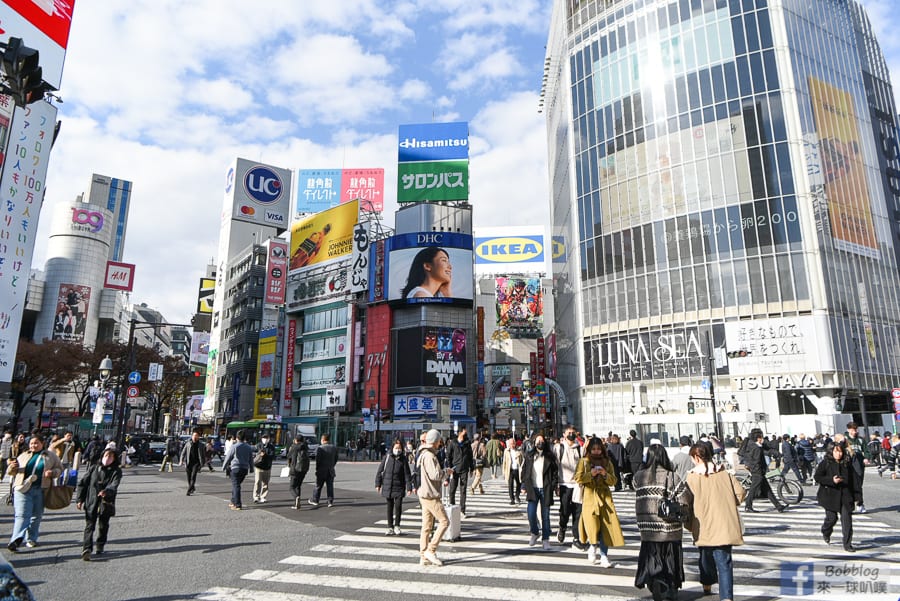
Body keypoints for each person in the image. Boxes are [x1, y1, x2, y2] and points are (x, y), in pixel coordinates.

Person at [681, 443, 745, 601]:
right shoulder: (724, 473)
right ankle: (727, 597)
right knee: (724, 562)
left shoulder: (692, 477)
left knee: (705, 557)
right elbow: (740, 493)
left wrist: (687, 522)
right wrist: (729, 503)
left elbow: (686, 502)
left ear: (696, 457)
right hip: (724, 523)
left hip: (703, 525)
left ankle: (707, 584)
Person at [634, 443, 685, 601]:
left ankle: (656, 580)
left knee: (651, 557)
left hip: (647, 527)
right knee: (671, 558)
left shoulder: (639, 477)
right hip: (669, 527)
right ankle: (670, 586)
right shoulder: (672, 476)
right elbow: (684, 498)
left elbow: (635, 488)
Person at [6, 434, 63, 552]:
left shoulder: (50, 456)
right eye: (31, 443)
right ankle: (16, 540)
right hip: (22, 488)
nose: (33, 445)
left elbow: (59, 469)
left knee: (36, 516)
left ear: (42, 443)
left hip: (41, 489)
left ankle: (31, 538)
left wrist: (52, 473)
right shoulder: (23, 455)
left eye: (36, 443)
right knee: (22, 515)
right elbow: (11, 473)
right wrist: (12, 467)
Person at [574, 436, 624, 567]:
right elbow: (578, 478)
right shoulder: (584, 462)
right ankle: (592, 545)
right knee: (592, 526)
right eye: (594, 449)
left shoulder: (607, 462)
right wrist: (591, 474)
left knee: (606, 528)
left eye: (598, 449)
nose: (596, 451)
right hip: (590, 497)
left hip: (605, 498)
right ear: (589, 449)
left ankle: (604, 555)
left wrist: (605, 474)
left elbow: (614, 480)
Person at [75, 446, 122, 561]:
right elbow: (83, 483)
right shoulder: (94, 468)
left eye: (111, 456)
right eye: (106, 455)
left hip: (106, 502)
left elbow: (114, 484)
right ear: (102, 456)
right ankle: (87, 549)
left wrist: (107, 491)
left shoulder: (116, 471)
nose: (108, 458)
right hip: (92, 500)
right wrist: (79, 499)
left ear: (114, 458)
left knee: (103, 525)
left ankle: (100, 544)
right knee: (89, 525)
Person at [814, 441, 861, 552]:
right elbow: (817, 477)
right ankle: (826, 531)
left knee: (847, 521)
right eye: (836, 451)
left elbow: (855, 481)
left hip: (845, 496)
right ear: (831, 452)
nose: (838, 454)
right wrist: (831, 480)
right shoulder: (826, 462)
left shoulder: (847, 463)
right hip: (829, 496)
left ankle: (847, 544)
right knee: (831, 518)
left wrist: (858, 497)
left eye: (840, 452)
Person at [416, 429, 449, 566]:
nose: (440, 443)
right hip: (430, 495)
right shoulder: (429, 456)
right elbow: (435, 475)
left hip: (424, 493)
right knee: (444, 522)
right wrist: (446, 472)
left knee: (427, 526)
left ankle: (423, 555)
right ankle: (431, 549)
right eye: (439, 441)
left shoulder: (423, 454)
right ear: (435, 441)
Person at [521, 434, 558, 551]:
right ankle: (534, 532)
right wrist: (523, 485)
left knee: (545, 516)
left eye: (542, 440)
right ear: (534, 442)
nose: (540, 442)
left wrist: (553, 485)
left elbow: (554, 473)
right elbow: (525, 471)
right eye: (538, 440)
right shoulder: (529, 455)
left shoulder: (549, 456)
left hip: (545, 488)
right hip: (533, 488)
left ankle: (545, 539)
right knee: (531, 513)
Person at [741, 428, 786, 513]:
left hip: (756, 471)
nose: (762, 439)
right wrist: (759, 471)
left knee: (767, 489)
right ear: (758, 438)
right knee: (753, 489)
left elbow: (765, 451)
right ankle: (748, 506)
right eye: (761, 437)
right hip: (758, 472)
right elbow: (756, 461)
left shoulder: (751, 445)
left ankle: (778, 506)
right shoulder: (756, 448)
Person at [376, 439, 413, 536]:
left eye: (399, 448)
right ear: (392, 448)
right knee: (389, 507)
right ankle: (390, 527)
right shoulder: (387, 457)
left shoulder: (403, 459)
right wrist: (378, 484)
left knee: (398, 507)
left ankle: (397, 526)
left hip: (399, 486)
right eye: (396, 448)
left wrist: (409, 487)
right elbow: (380, 471)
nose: (398, 450)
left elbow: (407, 474)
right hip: (388, 485)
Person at [556, 425, 585, 549]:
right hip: (564, 483)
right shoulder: (559, 448)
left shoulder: (580, 448)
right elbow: (555, 465)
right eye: (569, 432)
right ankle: (562, 527)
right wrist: (556, 484)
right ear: (564, 434)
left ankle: (576, 538)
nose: (571, 434)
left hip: (578, 485)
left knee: (578, 512)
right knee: (565, 511)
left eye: (573, 432)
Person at [222, 429, 252, 510]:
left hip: (235, 468)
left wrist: (223, 467)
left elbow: (228, 457)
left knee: (236, 486)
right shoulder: (248, 447)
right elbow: (250, 459)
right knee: (236, 485)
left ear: (237, 438)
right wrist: (251, 468)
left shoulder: (234, 446)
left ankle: (238, 504)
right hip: (244, 469)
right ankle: (233, 501)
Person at [445, 429, 473, 515]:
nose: (465, 435)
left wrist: (472, 468)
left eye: (466, 433)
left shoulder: (467, 443)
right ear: (459, 433)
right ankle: (452, 505)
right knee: (452, 489)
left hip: (464, 468)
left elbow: (470, 456)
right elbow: (448, 455)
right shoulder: (453, 443)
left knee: (463, 490)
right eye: (464, 433)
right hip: (454, 469)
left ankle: (462, 510)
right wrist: (450, 468)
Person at [843, 422, 868, 513]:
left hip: (859, 464)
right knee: (849, 485)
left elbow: (866, 450)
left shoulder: (860, 440)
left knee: (859, 485)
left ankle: (859, 503)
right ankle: (851, 504)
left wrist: (866, 458)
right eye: (853, 430)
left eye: (856, 430)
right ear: (848, 430)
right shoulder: (844, 440)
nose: (855, 432)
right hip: (848, 465)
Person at [309, 433, 338, 507]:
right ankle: (330, 501)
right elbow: (335, 459)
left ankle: (315, 500)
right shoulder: (334, 448)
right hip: (330, 470)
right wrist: (331, 465)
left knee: (318, 486)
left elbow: (318, 460)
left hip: (321, 470)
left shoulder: (320, 448)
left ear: (323, 439)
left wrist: (317, 469)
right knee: (330, 486)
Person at [179, 430, 207, 496]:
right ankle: (192, 487)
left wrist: (203, 462)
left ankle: (189, 490)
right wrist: (181, 460)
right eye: (194, 435)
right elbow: (183, 452)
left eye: (196, 436)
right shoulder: (188, 443)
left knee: (193, 476)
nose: (195, 437)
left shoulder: (201, 445)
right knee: (189, 477)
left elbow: (203, 454)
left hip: (196, 463)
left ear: (198, 437)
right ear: (192, 436)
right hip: (188, 462)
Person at [285, 436, 309, 509]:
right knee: (298, 486)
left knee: (291, 487)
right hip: (303, 470)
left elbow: (288, 456)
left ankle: (296, 497)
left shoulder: (294, 447)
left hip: (295, 469)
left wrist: (292, 447)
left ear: (295, 440)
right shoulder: (305, 447)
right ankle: (297, 503)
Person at [252, 434, 276, 504]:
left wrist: (265, 455)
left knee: (265, 483)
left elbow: (273, 456)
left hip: (267, 467)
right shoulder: (258, 445)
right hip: (258, 467)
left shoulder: (271, 447)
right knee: (257, 482)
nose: (265, 439)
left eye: (266, 438)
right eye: (264, 438)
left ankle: (263, 497)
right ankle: (256, 497)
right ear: (261, 438)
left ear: (269, 439)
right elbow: (253, 452)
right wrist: (259, 454)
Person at [502, 437, 523, 505]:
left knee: (519, 484)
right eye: (511, 444)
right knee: (510, 485)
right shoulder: (506, 451)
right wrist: (504, 472)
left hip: (517, 469)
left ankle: (517, 496)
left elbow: (522, 460)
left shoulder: (519, 450)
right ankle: (512, 499)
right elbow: (504, 461)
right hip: (510, 470)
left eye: (513, 443)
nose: (512, 445)